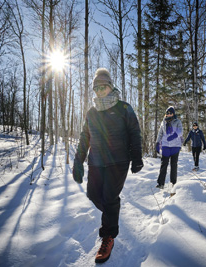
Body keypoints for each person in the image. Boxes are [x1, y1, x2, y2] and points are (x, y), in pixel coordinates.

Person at [72, 68, 143, 263]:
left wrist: (137, 157)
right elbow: (84, 137)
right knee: (93, 195)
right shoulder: (91, 112)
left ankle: (108, 236)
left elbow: (134, 133)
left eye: (103, 87)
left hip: (118, 161)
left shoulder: (124, 108)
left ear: (111, 86)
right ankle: (112, 213)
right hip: (96, 161)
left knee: (109, 197)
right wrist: (78, 161)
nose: (100, 91)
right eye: (97, 88)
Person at [155, 106, 183, 189]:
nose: (169, 114)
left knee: (173, 165)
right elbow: (160, 133)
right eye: (167, 113)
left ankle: (173, 183)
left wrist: (175, 135)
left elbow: (180, 131)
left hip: (175, 146)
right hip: (165, 146)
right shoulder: (163, 122)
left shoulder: (177, 121)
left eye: (171, 113)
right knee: (164, 164)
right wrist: (157, 143)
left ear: (173, 114)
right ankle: (161, 183)